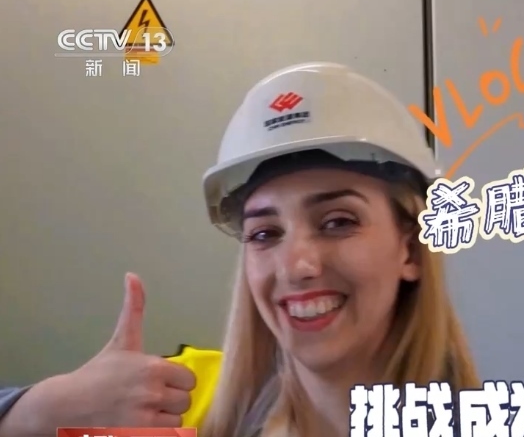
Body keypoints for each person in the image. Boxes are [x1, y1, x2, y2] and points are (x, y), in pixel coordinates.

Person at [0, 62, 481, 436]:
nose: (297, 266)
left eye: (338, 222)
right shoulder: (177, 399)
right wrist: (43, 411)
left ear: (411, 250)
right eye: (265, 233)